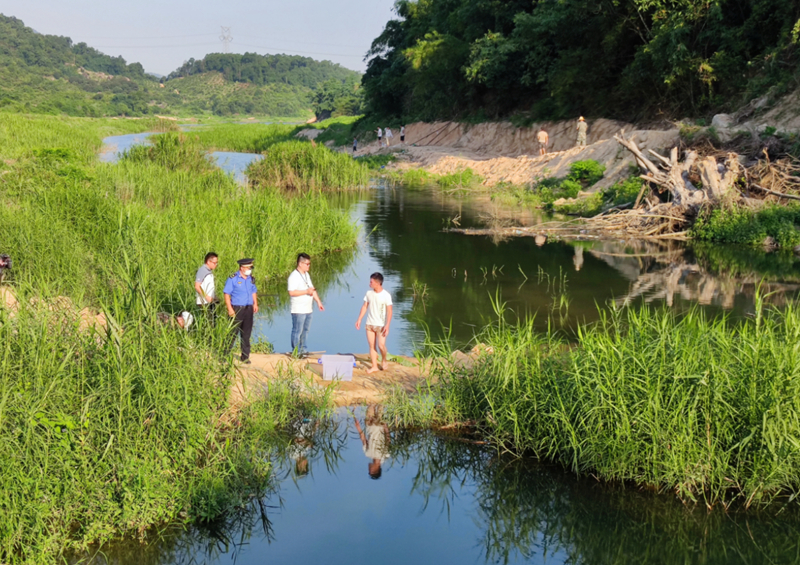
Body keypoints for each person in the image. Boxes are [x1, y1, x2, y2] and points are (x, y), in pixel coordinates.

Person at [355, 272, 393, 373]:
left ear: (377, 283)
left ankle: (384, 359)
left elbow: (390, 311)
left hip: (381, 325)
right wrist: (359, 319)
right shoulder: (369, 293)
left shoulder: (386, 295)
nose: (369, 284)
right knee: (372, 345)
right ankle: (374, 366)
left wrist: (387, 325)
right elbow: (364, 306)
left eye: (371, 282)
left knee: (381, 345)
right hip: (369, 323)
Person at [287, 253, 324, 356]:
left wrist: (318, 302)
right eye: (307, 264)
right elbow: (292, 292)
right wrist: (306, 292)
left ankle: (303, 349)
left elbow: (312, 289)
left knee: (305, 331)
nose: (309, 266)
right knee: (297, 331)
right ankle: (296, 351)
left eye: (309, 264)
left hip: (308, 309)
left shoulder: (306, 275)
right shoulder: (293, 276)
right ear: (300, 263)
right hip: (298, 309)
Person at [223, 258, 259, 364]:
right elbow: (226, 294)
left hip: (248, 308)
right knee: (232, 334)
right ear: (242, 268)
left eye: (250, 268)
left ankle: (245, 356)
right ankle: (224, 355)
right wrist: (229, 309)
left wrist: (255, 303)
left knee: (246, 334)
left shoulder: (250, 279)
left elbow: (253, 291)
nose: (249, 269)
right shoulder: (233, 279)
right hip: (237, 308)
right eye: (248, 267)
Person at [353, 405, 390, 480]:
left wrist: (358, 428)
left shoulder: (367, 453)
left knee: (371, 405)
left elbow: (363, 439)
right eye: (371, 470)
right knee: (381, 406)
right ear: (375, 469)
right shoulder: (385, 455)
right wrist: (386, 428)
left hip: (369, 425)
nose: (369, 469)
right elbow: (388, 440)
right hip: (380, 426)